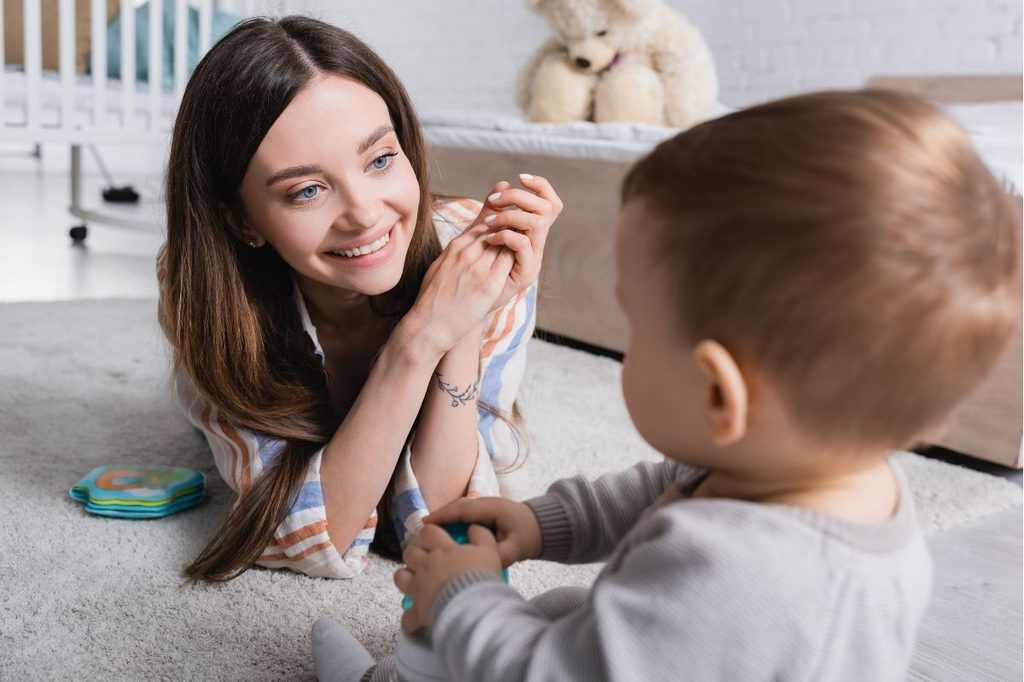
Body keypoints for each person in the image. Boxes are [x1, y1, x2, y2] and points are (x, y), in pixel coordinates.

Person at [313, 89, 1021, 680]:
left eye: (637, 323)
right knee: (562, 608)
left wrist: (459, 596)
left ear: (718, 392)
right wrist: (543, 524)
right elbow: (666, 488)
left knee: (498, 637)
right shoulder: (820, 474)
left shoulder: (733, 575)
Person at [157, 16, 562, 582]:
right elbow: (302, 535)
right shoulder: (212, 298)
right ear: (242, 220)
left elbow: (444, 525)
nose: (366, 214)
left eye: (380, 159)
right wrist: (419, 340)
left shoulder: (481, 246)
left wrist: (462, 322)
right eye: (307, 190)